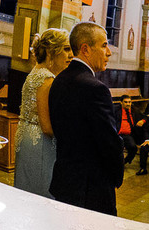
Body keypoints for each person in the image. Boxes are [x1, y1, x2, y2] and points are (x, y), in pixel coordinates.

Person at [48, 22, 124, 215]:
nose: (109, 52)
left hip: (65, 180)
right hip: (91, 187)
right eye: (104, 45)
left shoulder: (59, 80)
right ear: (85, 49)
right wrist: (116, 176)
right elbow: (109, 141)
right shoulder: (96, 88)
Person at [15, 28, 71, 197]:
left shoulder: (34, 72)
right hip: (40, 143)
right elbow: (47, 127)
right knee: (40, 190)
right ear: (51, 52)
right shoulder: (47, 79)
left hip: (26, 137)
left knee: (27, 187)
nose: (70, 55)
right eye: (66, 49)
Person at [115, 95, 139, 164]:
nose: (128, 104)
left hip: (127, 135)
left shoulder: (134, 110)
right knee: (117, 149)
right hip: (117, 134)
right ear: (121, 102)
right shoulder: (116, 110)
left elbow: (145, 117)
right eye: (126, 102)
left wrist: (142, 121)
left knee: (133, 148)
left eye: (129, 102)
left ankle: (125, 161)